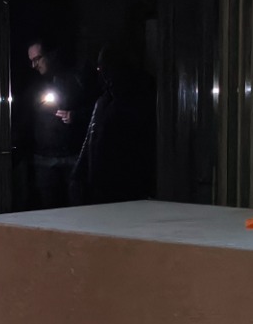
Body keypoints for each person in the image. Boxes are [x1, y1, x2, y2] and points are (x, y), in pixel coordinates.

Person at [68, 42, 156, 206]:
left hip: (126, 187)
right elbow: (91, 139)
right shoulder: (104, 101)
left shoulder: (139, 100)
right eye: (100, 68)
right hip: (100, 185)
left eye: (105, 67)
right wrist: (78, 174)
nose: (102, 73)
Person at [25, 40, 93, 209]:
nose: (34, 65)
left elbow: (93, 110)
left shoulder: (75, 80)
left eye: (37, 59)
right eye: (31, 61)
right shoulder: (32, 85)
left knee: (77, 208)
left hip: (71, 155)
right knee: (50, 209)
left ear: (50, 55)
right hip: (44, 157)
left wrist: (75, 116)